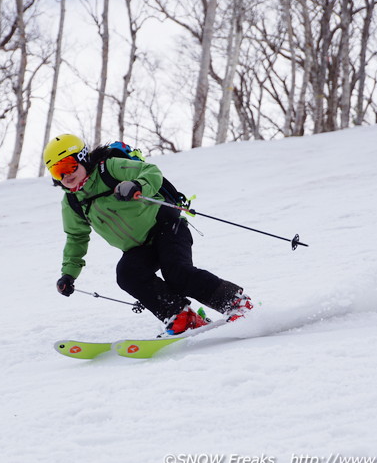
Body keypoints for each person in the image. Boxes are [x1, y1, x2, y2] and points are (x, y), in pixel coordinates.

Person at [45, 133, 253, 335]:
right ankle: (181, 317)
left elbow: (151, 172)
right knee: (127, 274)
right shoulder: (72, 202)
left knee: (177, 273)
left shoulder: (109, 168)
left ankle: (236, 303)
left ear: (83, 159)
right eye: (57, 172)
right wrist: (69, 274)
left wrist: (137, 185)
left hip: (166, 225)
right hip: (140, 247)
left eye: (68, 166)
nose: (65, 175)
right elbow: (76, 237)